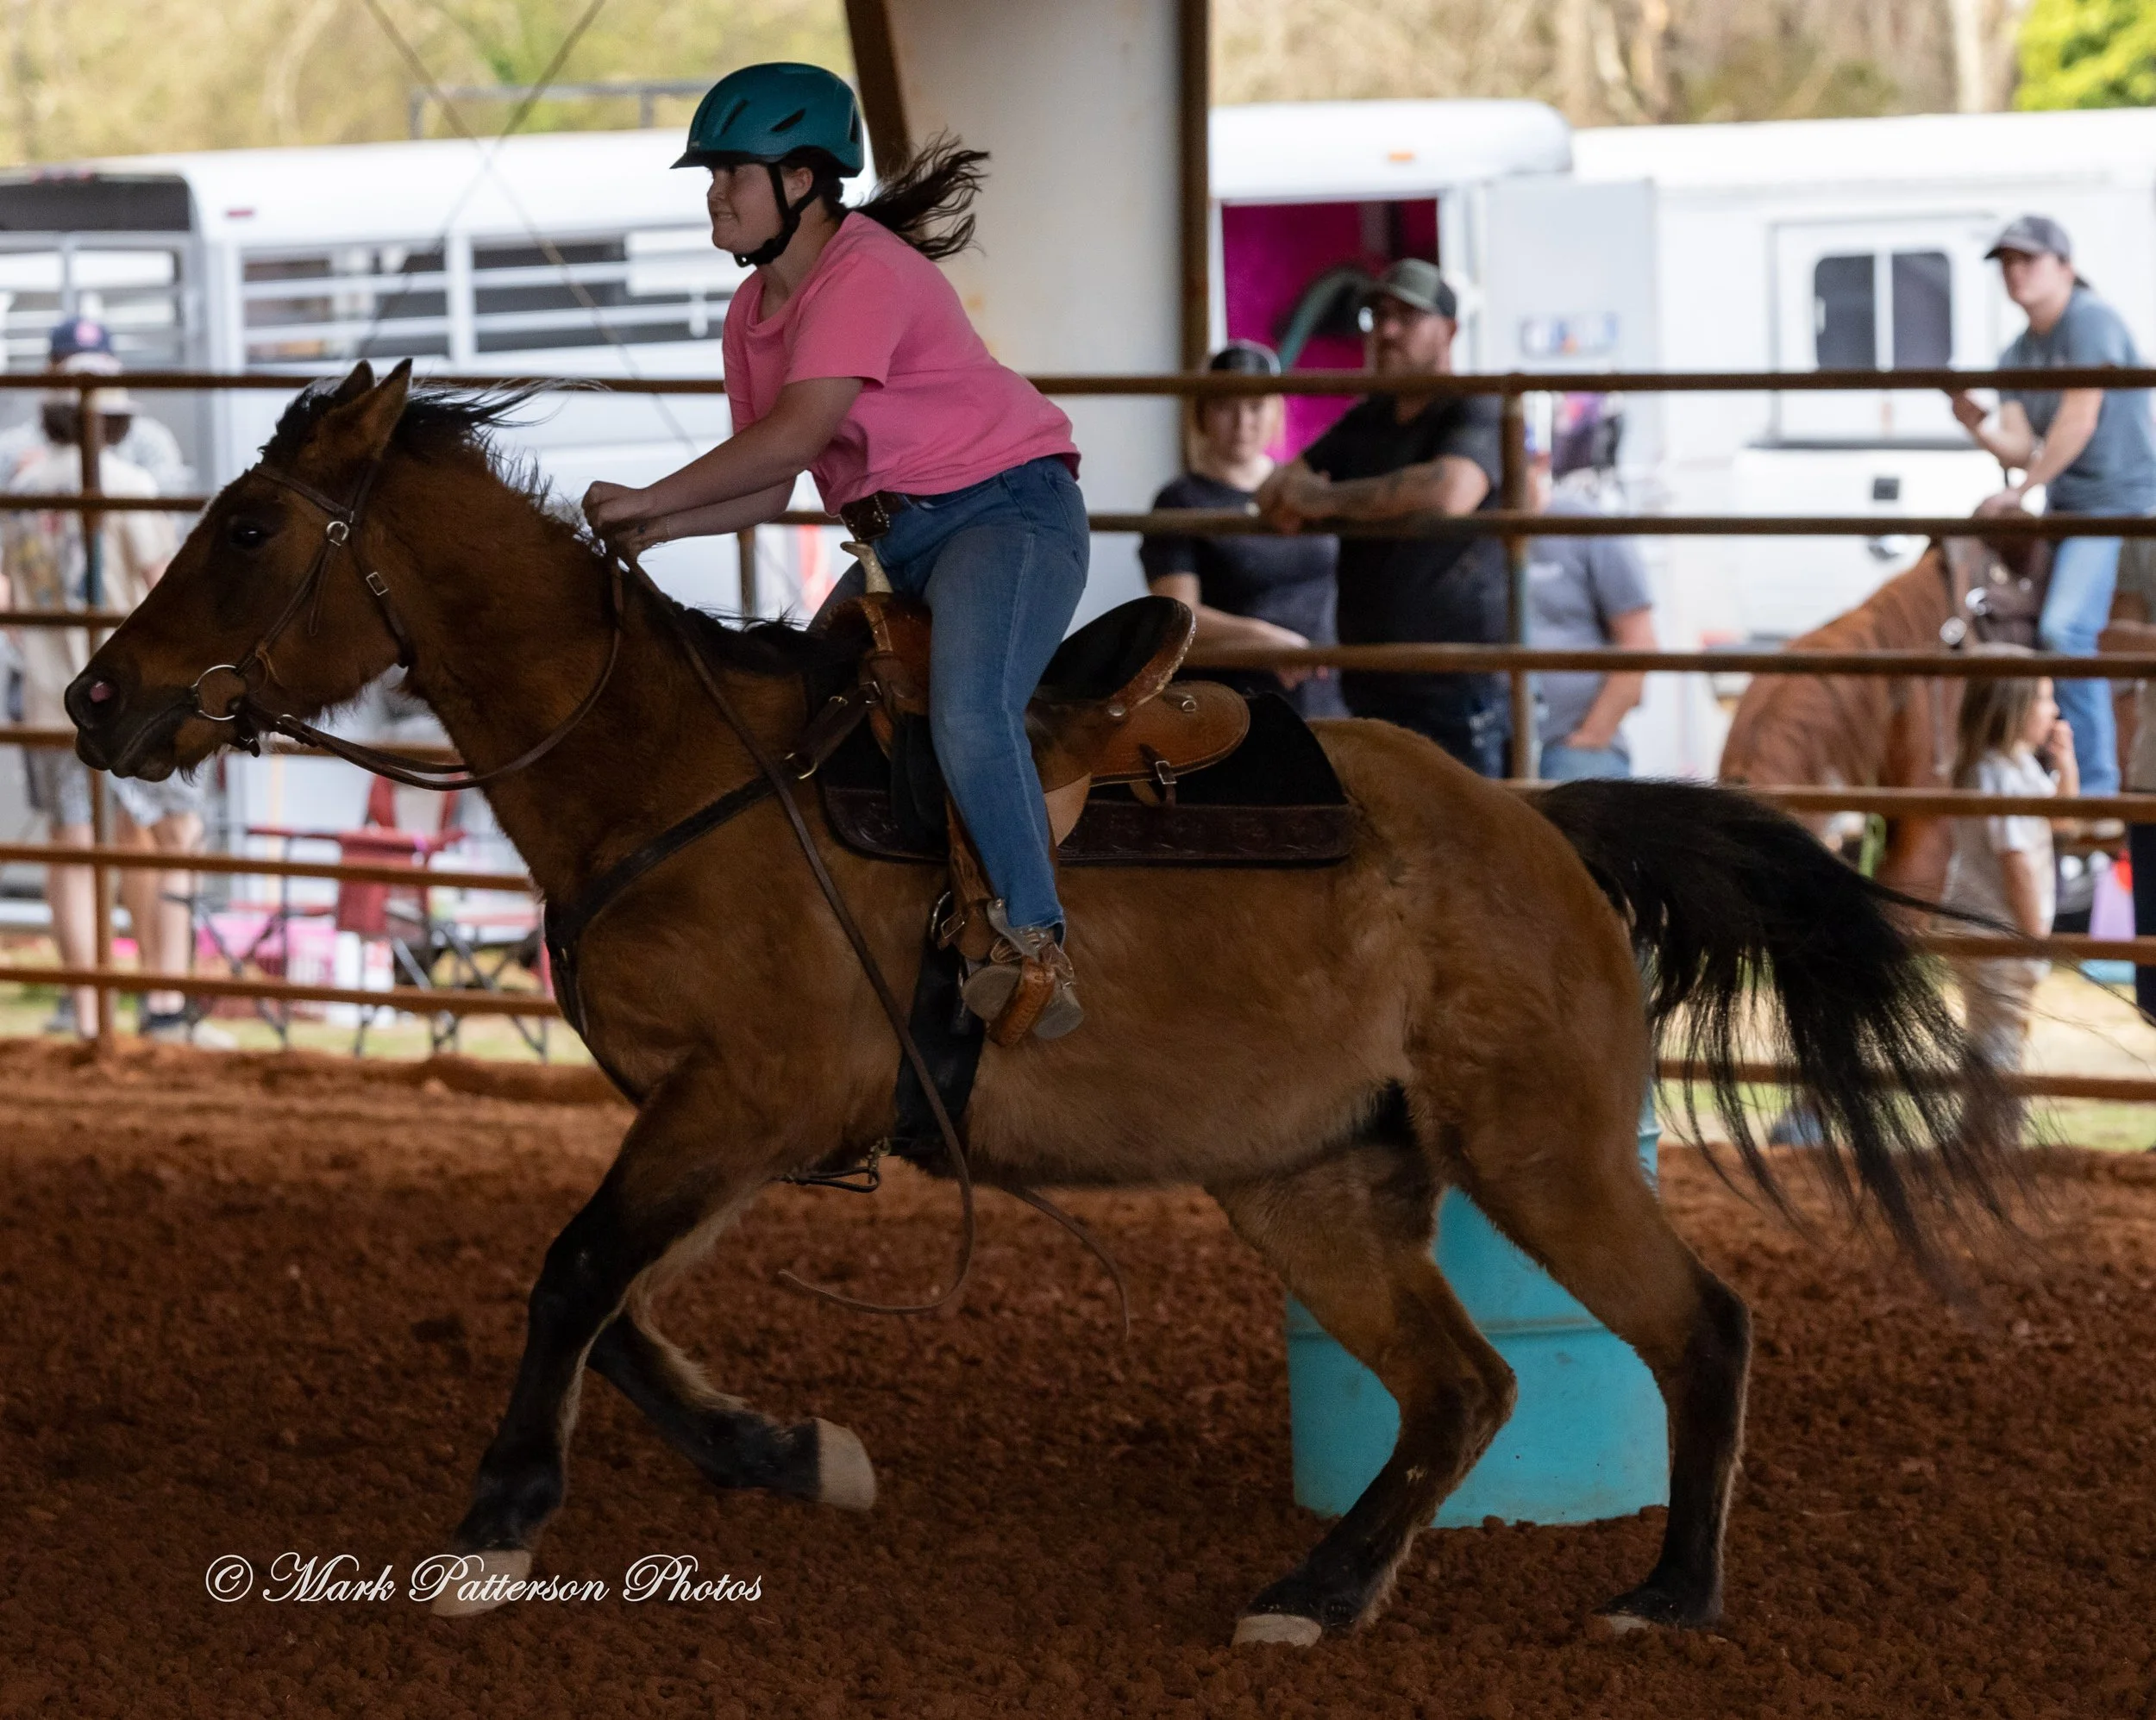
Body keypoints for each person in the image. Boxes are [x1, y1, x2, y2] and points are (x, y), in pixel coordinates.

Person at [580, 63, 1088, 1043]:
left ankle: (1034, 943)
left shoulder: (863, 271)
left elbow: (792, 441)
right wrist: (654, 530)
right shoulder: (751, 312)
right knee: (800, 726)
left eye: (733, 172)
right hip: (900, 543)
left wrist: (648, 498)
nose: (713, 191)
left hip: (1007, 516)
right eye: (714, 174)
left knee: (970, 708)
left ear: (803, 182)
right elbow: (766, 493)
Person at [0, 376, 219, 1043]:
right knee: (161, 837)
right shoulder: (130, 484)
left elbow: (6, 594)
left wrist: (36, 652)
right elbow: (164, 589)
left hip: (48, 696)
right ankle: (161, 1000)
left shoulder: (24, 491)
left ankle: (91, 1012)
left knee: (72, 847)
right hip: (130, 699)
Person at [1255, 259, 1509, 776]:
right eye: (1379, 316)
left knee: (1467, 843)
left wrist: (1323, 501)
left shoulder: (1476, 405)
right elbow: (1274, 492)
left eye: (1408, 317)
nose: (1388, 332)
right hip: (1370, 677)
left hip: (1454, 681)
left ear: (1450, 331)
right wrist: (1302, 496)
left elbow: (1449, 490)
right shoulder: (1365, 420)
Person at [1948, 215, 2156, 802]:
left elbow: (2078, 418)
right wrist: (1976, 423)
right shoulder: (2015, 352)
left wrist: (2021, 490)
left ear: (2065, 267)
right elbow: (2018, 442)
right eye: (2007, 262)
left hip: (2125, 505)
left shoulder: (2091, 319)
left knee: (2065, 628)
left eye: (2029, 259)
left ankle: (2092, 789)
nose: (2016, 272)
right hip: (2072, 509)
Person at [1138, 341, 1344, 718]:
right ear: (1201, 414)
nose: (1242, 422)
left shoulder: (1305, 488)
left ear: (1276, 411)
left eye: (1255, 406)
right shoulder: (1180, 500)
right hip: (1231, 709)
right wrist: (1265, 639)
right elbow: (1177, 614)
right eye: (1223, 406)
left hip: (1325, 697)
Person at [1941, 647, 2077, 1079]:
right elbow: (2014, 859)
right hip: (1996, 926)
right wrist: (2033, 934)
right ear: (2011, 708)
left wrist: (2066, 764)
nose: (2054, 710)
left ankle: (1984, 1136)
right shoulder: (1997, 774)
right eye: (2043, 699)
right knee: (1998, 1040)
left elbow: (2063, 819)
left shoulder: (2016, 765)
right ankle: (1992, 1138)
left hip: (1995, 924)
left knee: (1998, 1033)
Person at [1526, 397, 1656, 780]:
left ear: (1540, 463)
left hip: (1572, 740)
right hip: (1491, 738)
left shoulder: (1588, 527)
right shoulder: (1474, 539)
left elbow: (1639, 643)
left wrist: (1592, 735)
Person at [0, 318, 191, 493]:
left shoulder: (151, 441)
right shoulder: (12, 449)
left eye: (98, 365)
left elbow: (171, 515)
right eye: (69, 363)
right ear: (48, 371)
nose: (86, 379)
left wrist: (117, 477)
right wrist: (18, 481)